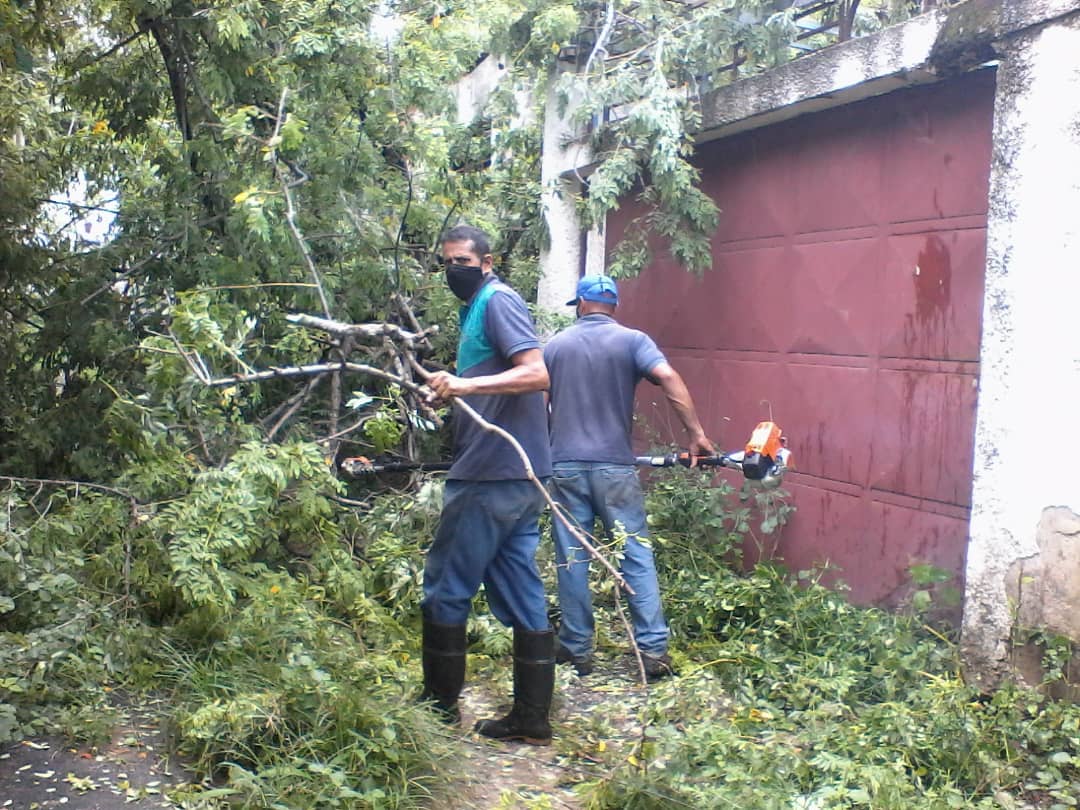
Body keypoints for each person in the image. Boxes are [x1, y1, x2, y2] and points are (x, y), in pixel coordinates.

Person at [419, 224, 555, 745]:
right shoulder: (476, 309)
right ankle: (532, 717)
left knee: (446, 586)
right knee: (519, 585)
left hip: (491, 474)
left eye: (461, 261)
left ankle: (438, 710)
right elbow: (493, 386)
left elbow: (537, 373)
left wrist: (467, 384)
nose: (454, 270)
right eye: (446, 262)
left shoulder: (498, 300)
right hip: (520, 478)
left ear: (487, 261)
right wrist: (452, 392)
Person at [544, 274, 716, 681]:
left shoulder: (555, 346)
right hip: (615, 468)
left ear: (581, 305)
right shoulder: (633, 341)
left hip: (564, 466)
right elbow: (670, 379)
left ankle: (576, 649)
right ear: (614, 306)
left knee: (573, 558)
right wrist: (697, 435)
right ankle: (653, 651)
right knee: (634, 555)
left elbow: (538, 402)